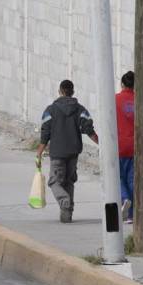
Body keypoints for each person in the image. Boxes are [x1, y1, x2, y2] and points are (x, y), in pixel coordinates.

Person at [36, 79, 98, 223]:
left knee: (54, 181)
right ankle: (67, 215)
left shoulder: (50, 110)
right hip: (73, 152)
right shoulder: (80, 109)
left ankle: (64, 202)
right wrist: (101, 143)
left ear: (60, 91)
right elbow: (88, 129)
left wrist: (39, 151)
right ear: (72, 92)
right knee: (69, 181)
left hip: (57, 152)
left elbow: (45, 133)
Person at [115, 71, 143, 225]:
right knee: (132, 179)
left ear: (122, 84)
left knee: (117, 177)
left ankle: (125, 198)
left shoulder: (114, 100)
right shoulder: (140, 102)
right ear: (135, 85)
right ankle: (132, 215)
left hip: (118, 147)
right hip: (136, 148)